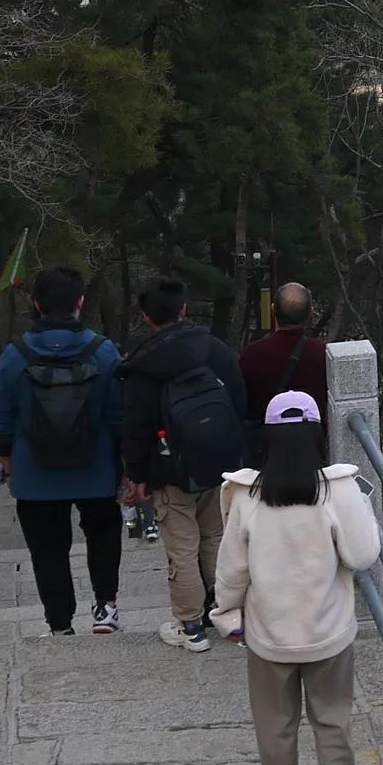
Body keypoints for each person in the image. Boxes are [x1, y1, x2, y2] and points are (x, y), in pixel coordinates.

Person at [216, 391, 380, 765]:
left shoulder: (246, 495)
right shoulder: (338, 489)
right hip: (329, 632)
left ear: (267, 438)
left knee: (275, 730)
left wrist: (226, 614)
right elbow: (362, 556)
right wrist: (365, 507)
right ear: (318, 435)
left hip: (269, 635)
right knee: (333, 726)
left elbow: (231, 570)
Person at [0, 265, 126, 637]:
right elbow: (120, 413)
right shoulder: (104, 351)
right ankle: (105, 607)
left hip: (35, 474)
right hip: (95, 468)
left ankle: (60, 623)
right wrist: (125, 461)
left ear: (36, 304)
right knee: (103, 533)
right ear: (80, 302)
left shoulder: (16, 355)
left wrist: (5, 455)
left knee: (47, 549)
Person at [119, 275, 248, 652]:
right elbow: (239, 400)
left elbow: (136, 426)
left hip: (170, 468)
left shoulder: (143, 364)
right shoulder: (215, 350)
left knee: (182, 546)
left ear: (146, 317)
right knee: (216, 538)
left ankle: (190, 625)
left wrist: (137, 476)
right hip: (221, 462)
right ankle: (226, 612)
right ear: (184, 310)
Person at [238, 283, 330, 462]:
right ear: (310, 313)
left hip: (265, 453)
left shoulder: (252, 354)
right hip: (310, 451)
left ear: (273, 310)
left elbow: (242, 404)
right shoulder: (323, 354)